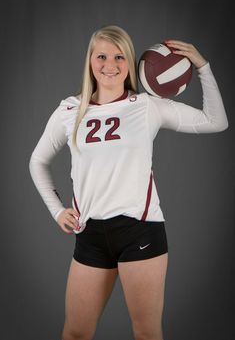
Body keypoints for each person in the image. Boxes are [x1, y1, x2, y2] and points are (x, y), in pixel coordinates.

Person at [29, 25, 228, 340]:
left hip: (140, 229)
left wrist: (203, 67)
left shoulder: (147, 106)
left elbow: (216, 121)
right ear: (90, 61)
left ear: (131, 61)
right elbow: (37, 162)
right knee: (75, 333)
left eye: (120, 56)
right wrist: (57, 210)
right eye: (102, 56)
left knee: (146, 334)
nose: (110, 64)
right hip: (90, 234)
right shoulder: (69, 109)